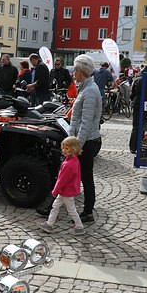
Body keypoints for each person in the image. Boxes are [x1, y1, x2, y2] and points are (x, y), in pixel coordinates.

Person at [39, 54, 102, 222]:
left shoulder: (89, 91)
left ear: (81, 71)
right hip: (82, 141)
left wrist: (76, 146)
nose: (73, 72)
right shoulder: (85, 88)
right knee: (76, 175)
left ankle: (85, 211)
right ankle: (66, 208)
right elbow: (77, 119)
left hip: (86, 143)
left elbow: (86, 123)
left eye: (75, 69)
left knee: (80, 176)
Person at [40, 136, 85, 234]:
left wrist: (55, 191)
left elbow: (62, 180)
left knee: (70, 209)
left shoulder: (68, 164)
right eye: (63, 147)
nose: (64, 150)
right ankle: (49, 224)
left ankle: (79, 227)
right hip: (67, 190)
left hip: (66, 191)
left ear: (74, 149)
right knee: (56, 206)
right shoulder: (74, 160)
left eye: (67, 148)